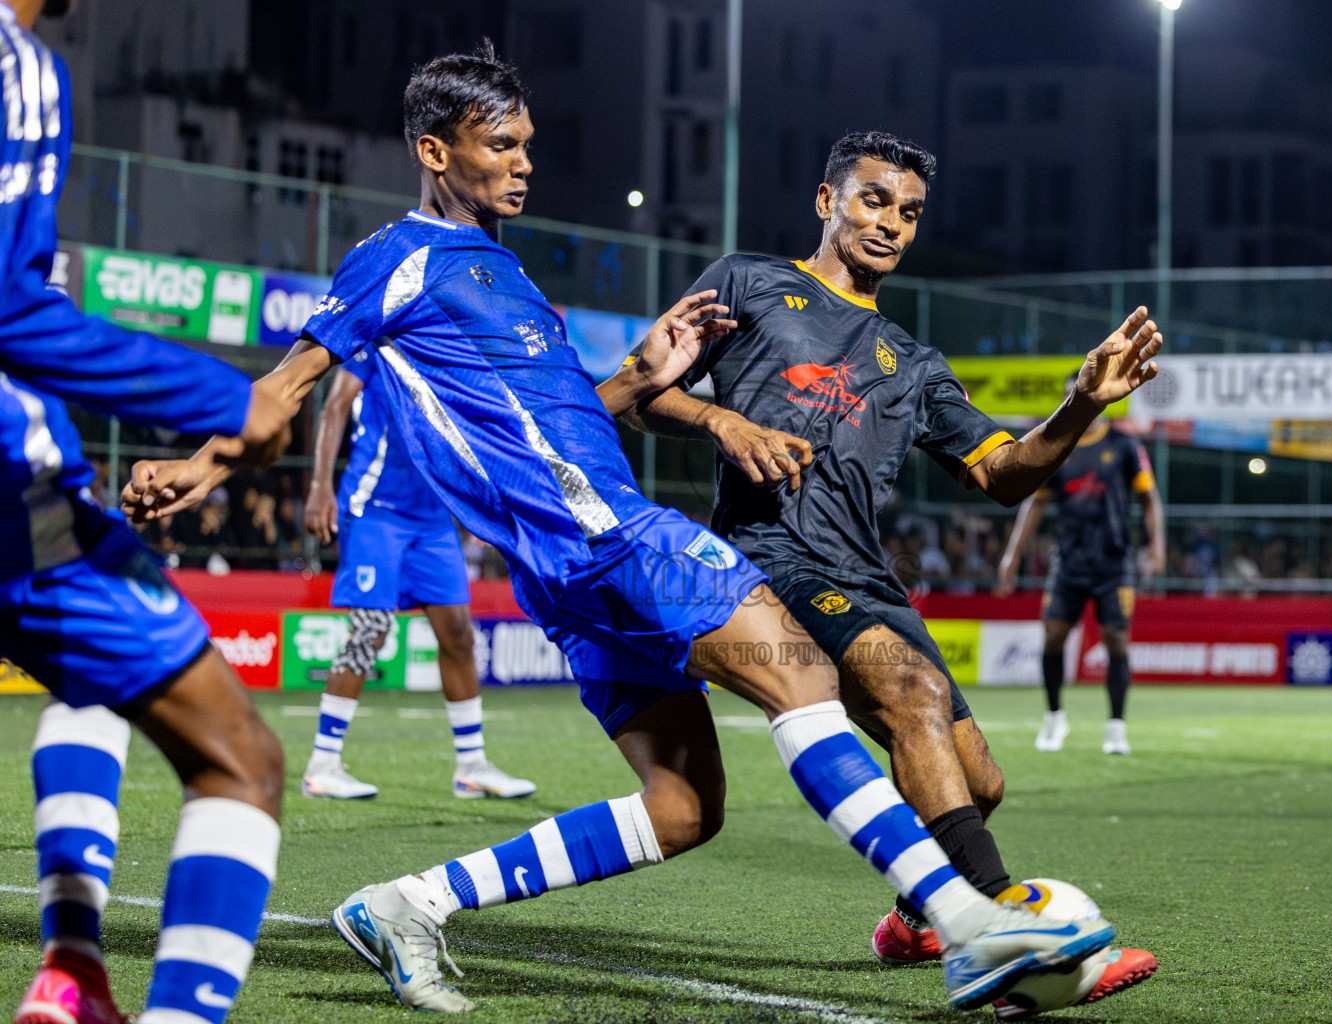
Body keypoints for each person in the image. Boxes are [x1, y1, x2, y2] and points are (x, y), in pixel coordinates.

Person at [121, 45, 1159, 1016]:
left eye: (528, 142)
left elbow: (559, 413)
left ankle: (408, 902)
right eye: (501, 145)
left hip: (568, 569)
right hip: (611, 537)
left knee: (682, 805)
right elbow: (283, 394)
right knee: (803, 679)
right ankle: (968, 918)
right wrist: (200, 469)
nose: (526, 163)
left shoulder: (502, 272)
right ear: (436, 154)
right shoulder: (399, 258)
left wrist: (641, 376)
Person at [614, 131, 1156, 1008]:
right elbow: (639, 389)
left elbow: (1002, 475)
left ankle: (913, 920)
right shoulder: (748, 280)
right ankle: (998, 928)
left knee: (979, 783)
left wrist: (1080, 402)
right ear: (827, 201)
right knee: (913, 694)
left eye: (908, 212)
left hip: (868, 574)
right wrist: (723, 424)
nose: (892, 224)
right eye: (874, 200)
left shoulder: (914, 362)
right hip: (771, 551)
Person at [1, 3, 296, 1024]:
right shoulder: (17, 64)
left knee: (90, 677)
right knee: (240, 760)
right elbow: (7, 305)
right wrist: (228, 404)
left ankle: (73, 965)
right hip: (17, 501)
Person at [299, 347, 536, 800]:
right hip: (374, 510)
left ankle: (472, 766)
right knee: (370, 629)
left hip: (432, 519)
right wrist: (319, 486)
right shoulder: (380, 343)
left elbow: (469, 436)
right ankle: (322, 765)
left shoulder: (454, 354)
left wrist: (481, 509)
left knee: (459, 634)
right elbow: (334, 406)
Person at [995, 392, 1165, 755]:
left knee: (1116, 639)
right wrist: (1012, 556)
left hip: (1113, 562)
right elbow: (1034, 504)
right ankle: (1055, 716)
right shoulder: (1054, 447)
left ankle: (1116, 727)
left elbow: (1150, 500)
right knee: (1053, 636)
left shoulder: (1124, 445)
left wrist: (1157, 546)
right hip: (1069, 562)